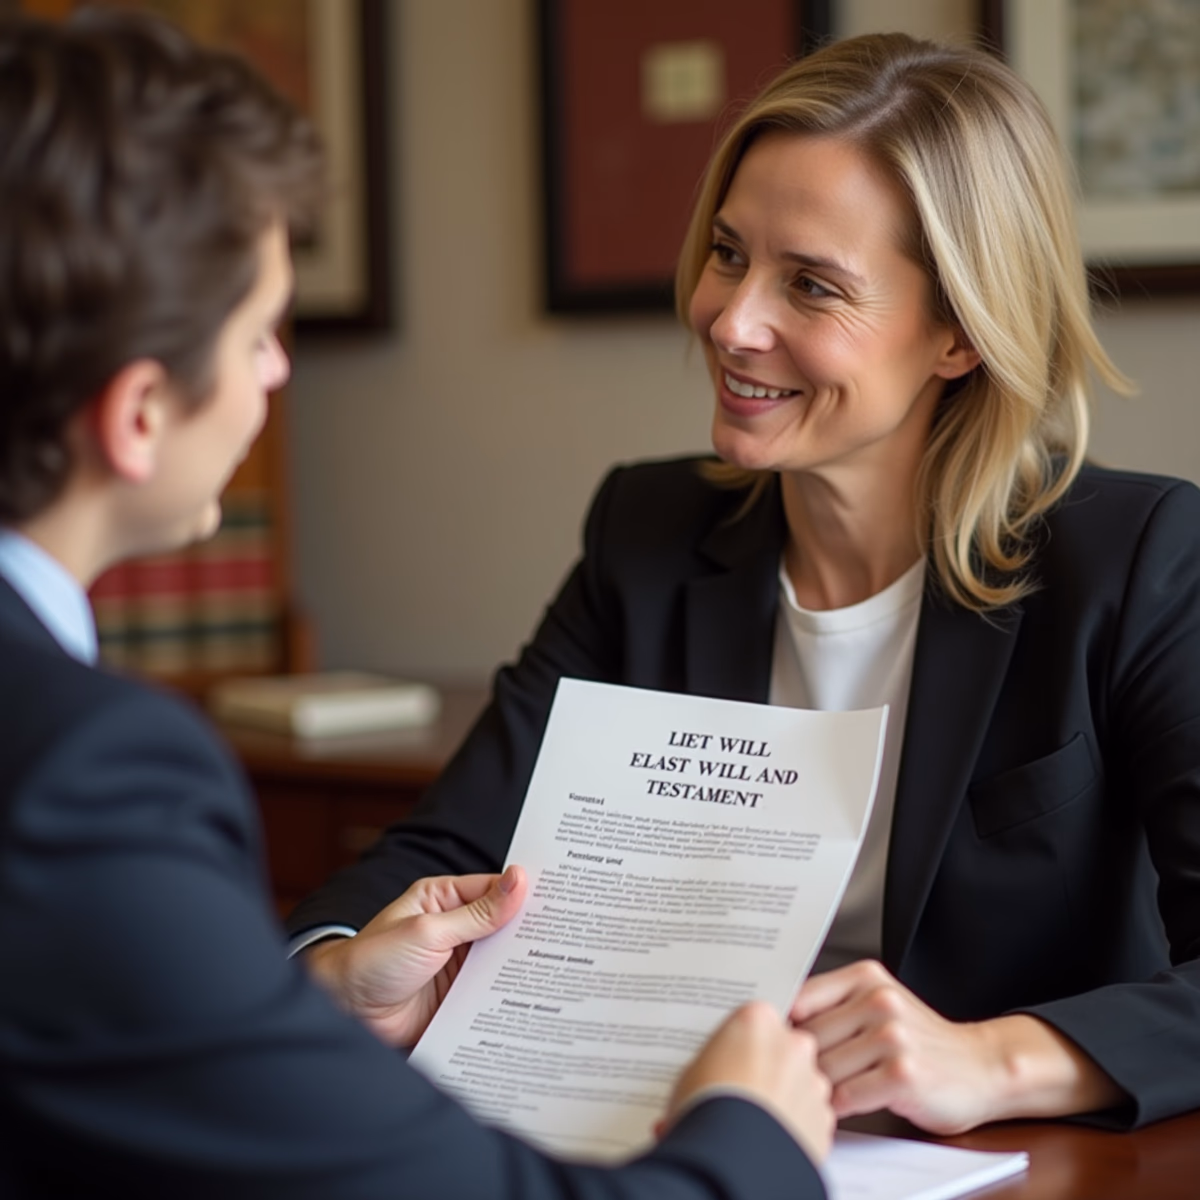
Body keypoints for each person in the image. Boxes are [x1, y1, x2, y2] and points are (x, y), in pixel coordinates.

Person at [291, 31, 1200, 1136]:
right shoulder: (650, 533)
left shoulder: (1139, 560)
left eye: (811, 285)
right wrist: (341, 973)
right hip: (676, 1142)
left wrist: (995, 1062)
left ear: (958, 333)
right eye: (729, 254)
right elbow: (449, 845)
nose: (732, 321)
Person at [0, 11, 836, 1197]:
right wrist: (747, 1135)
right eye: (257, 337)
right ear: (137, 417)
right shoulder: (85, 774)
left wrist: (323, 995)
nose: (282, 373)